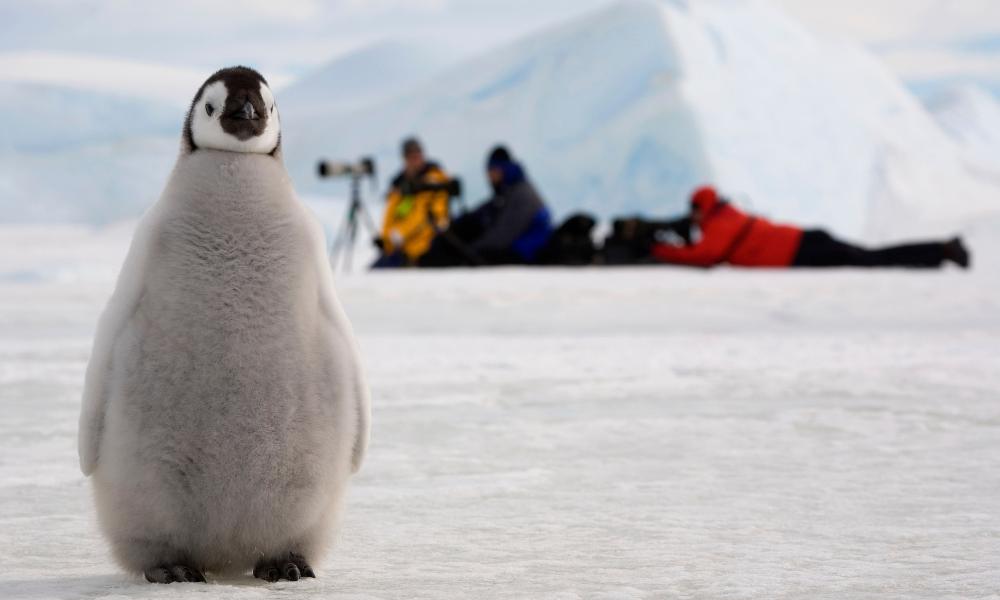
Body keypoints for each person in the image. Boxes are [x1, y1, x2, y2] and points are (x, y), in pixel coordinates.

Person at [650, 186, 971, 269]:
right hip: (804, 243)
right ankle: (939, 251)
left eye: (693, 211)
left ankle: (941, 250)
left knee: (872, 260)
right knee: (871, 257)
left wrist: (659, 250)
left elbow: (706, 255)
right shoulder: (725, 216)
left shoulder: (720, 223)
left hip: (802, 251)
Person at [420, 146, 553, 267]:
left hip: (528, 254)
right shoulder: (507, 193)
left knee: (477, 256)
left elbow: (503, 234)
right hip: (516, 250)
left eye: (493, 172)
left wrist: (471, 250)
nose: (490, 177)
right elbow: (481, 214)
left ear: (504, 169)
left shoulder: (522, 195)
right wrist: (457, 227)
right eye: (489, 173)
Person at [373, 137, 451, 267]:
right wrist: (386, 240)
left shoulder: (433, 182)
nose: (415, 161)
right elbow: (391, 218)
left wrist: (400, 234)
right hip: (398, 251)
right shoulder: (401, 188)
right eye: (411, 157)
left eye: (417, 156)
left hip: (424, 250)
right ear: (405, 160)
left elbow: (430, 216)